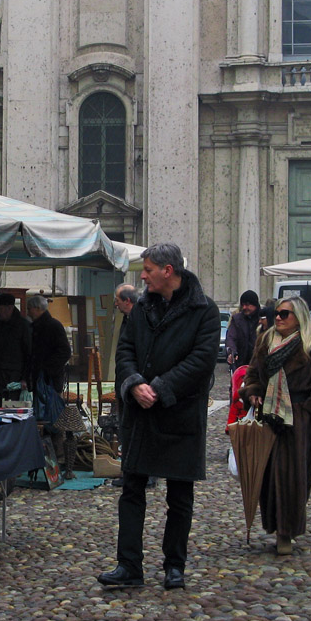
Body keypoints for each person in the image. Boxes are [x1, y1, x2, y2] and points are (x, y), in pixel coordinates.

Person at [98, 243, 219, 591]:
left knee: (179, 496)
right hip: (141, 414)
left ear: (168, 270)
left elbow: (202, 360)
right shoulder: (141, 308)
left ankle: (174, 566)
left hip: (180, 413)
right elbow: (124, 351)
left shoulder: (204, 311)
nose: (143, 275)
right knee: (132, 491)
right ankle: (128, 566)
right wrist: (134, 383)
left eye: (148, 269)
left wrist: (161, 388)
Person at [241, 296, 311, 555]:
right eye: (276, 313)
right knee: (267, 475)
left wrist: (308, 411)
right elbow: (252, 374)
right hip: (268, 417)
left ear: (300, 318)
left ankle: (287, 531)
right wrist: (252, 392)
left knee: (294, 477)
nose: (279, 318)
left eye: (285, 314)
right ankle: (273, 524)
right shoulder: (265, 341)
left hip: (298, 422)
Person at [110, 284, 157, 490]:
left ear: (127, 301)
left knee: (143, 432)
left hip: (139, 385)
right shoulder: (128, 319)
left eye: (118, 300)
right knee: (126, 430)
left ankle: (149, 473)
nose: (115, 304)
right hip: (125, 384)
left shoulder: (144, 319)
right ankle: (129, 471)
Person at [26, 294, 75, 479]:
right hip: (41, 378)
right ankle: (48, 457)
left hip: (50, 380)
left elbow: (65, 352)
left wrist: (47, 369)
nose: (28, 312)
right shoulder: (35, 327)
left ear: (37, 309)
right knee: (43, 416)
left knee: (53, 416)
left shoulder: (53, 326)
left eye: (30, 308)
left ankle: (58, 456)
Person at [0, 293, 31, 404]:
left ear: (9, 308)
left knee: (12, 407)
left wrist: (26, 378)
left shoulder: (23, 326)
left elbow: (30, 354)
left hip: (14, 378)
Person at [225, 290, 261, 372]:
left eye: (247, 305)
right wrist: (232, 352)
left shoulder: (262, 319)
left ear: (255, 305)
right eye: (243, 305)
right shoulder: (237, 319)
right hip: (240, 364)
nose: (244, 307)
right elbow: (231, 337)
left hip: (259, 365)